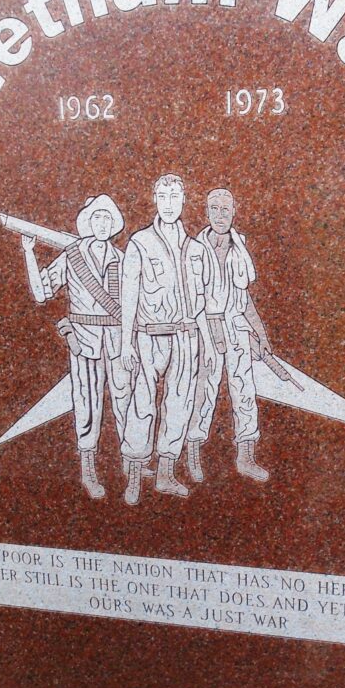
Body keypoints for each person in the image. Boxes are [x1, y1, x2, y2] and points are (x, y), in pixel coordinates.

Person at [21, 195, 130, 498]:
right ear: (87, 222)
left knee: (125, 401)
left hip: (117, 339)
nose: (102, 224)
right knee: (88, 404)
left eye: (107, 219)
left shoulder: (122, 259)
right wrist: (29, 252)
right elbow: (42, 293)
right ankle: (88, 468)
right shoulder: (71, 256)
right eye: (96, 218)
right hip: (84, 339)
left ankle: (130, 461)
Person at [120, 174, 214, 504]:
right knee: (142, 404)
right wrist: (124, 342)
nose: (169, 203)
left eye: (175, 196)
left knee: (179, 404)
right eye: (163, 196)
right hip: (149, 336)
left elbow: (200, 301)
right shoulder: (140, 243)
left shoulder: (196, 249)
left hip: (186, 337)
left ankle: (165, 474)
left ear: (184, 200)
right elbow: (128, 296)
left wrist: (209, 344)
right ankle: (133, 474)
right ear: (155, 199)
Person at [186, 188, 270, 483]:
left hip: (236, 327)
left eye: (225, 209)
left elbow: (244, 298)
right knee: (202, 393)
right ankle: (193, 454)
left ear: (234, 212)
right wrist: (202, 337)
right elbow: (190, 299)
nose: (220, 215)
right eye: (214, 209)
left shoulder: (240, 248)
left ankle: (246, 456)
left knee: (245, 392)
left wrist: (260, 335)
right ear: (206, 212)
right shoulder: (194, 248)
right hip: (205, 328)